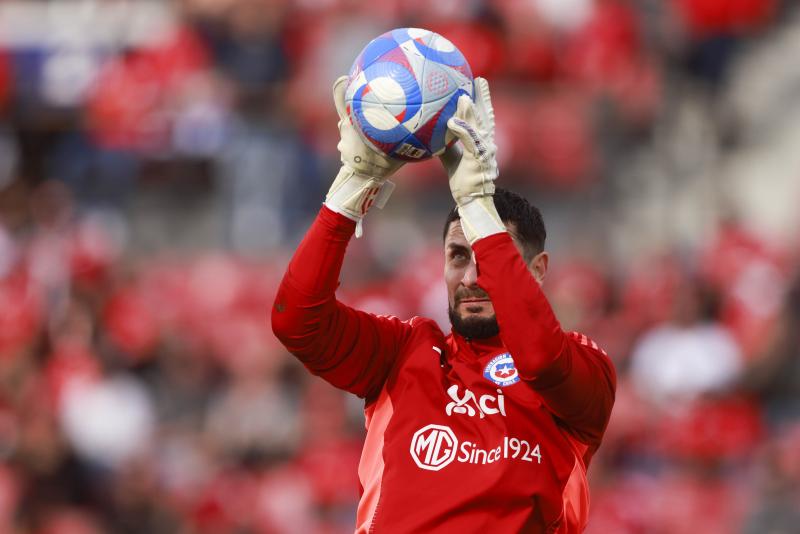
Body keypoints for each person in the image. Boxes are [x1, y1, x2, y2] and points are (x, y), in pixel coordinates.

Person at [271, 75, 616, 533]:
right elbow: (297, 320)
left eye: (493, 256)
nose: (472, 277)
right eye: (458, 256)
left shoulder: (585, 368)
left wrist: (477, 206)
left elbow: (539, 357)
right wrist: (350, 191)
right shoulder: (405, 351)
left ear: (536, 269)